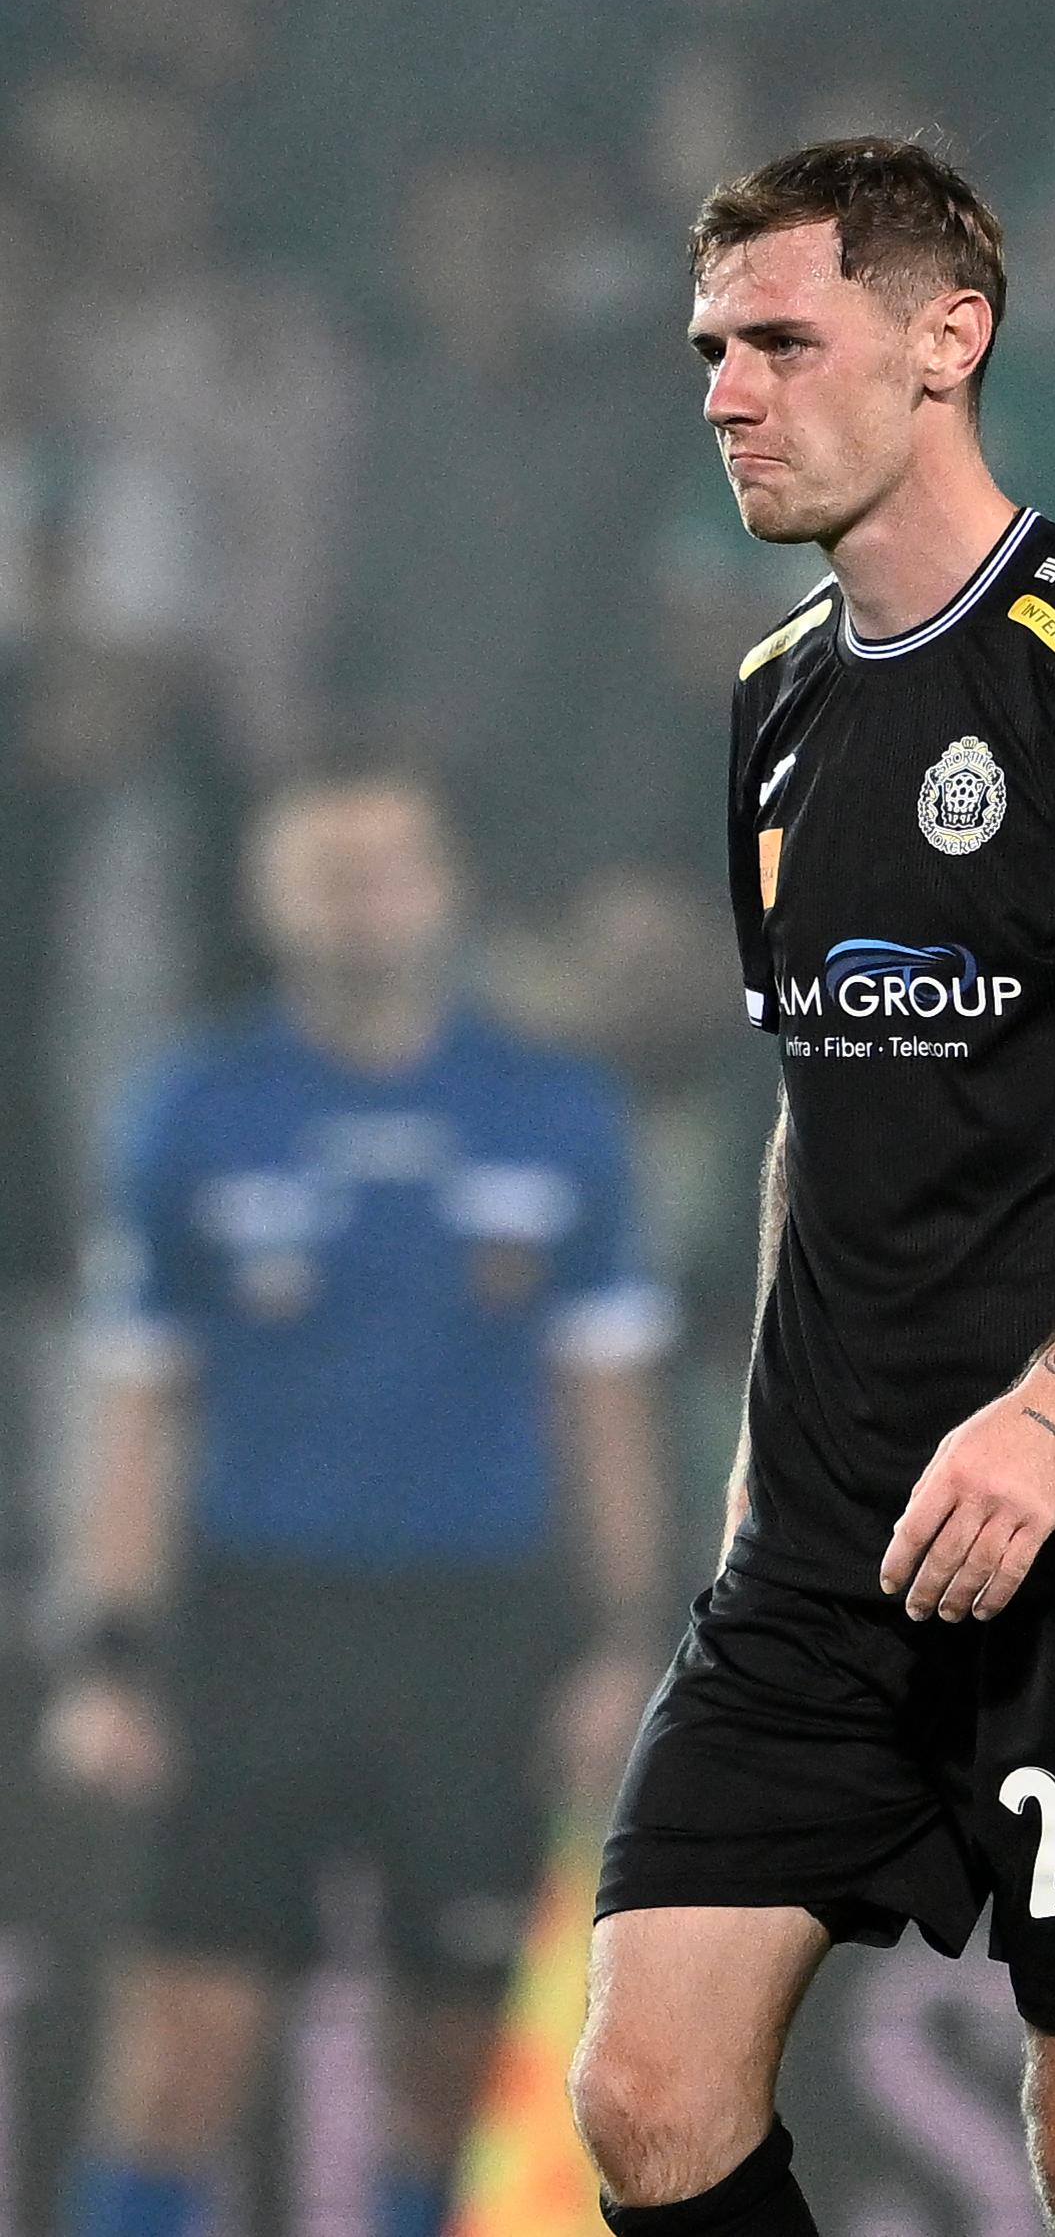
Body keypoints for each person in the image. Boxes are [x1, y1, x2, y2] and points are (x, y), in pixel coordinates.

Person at [569, 140, 1055, 2237]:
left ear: (944, 340)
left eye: (780, 341)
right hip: (824, 1548)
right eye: (709, 348)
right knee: (646, 2092)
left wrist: (1054, 1402)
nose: (726, 391)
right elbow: (816, 1108)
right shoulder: (771, 708)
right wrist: (758, 1467)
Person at [43, 764, 671, 2237]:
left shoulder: (552, 1112)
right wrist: (111, 1648)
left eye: (383, 869)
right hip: (252, 1627)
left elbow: (607, 1404)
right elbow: (140, 1402)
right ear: (268, 897)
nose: (354, 906)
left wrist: (624, 1639)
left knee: (452, 2070)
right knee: (179, 2051)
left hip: (474, 1637)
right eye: (321, 871)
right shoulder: (194, 1110)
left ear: (445, 889)